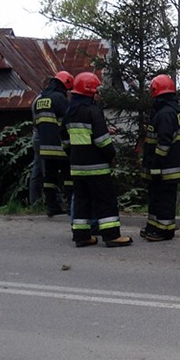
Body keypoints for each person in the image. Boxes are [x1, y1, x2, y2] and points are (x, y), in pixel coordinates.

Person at [61, 71, 132, 248]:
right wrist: (112, 155)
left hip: (77, 168)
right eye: (97, 91)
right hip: (97, 167)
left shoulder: (70, 112)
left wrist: (74, 156)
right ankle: (111, 236)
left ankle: (81, 236)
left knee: (81, 202)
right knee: (105, 201)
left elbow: (65, 140)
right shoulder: (93, 111)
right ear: (89, 92)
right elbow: (102, 141)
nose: (99, 95)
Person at [139, 74, 180, 242]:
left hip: (165, 167)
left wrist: (156, 165)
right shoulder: (166, 110)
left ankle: (165, 230)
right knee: (156, 198)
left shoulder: (166, 113)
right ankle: (154, 226)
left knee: (164, 199)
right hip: (163, 166)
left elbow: (164, 143)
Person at [32, 71, 74, 217]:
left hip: (45, 148)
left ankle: (52, 207)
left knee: (49, 180)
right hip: (61, 148)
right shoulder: (59, 99)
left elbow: (37, 124)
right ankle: (71, 207)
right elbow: (69, 121)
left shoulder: (40, 100)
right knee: (69, 179)